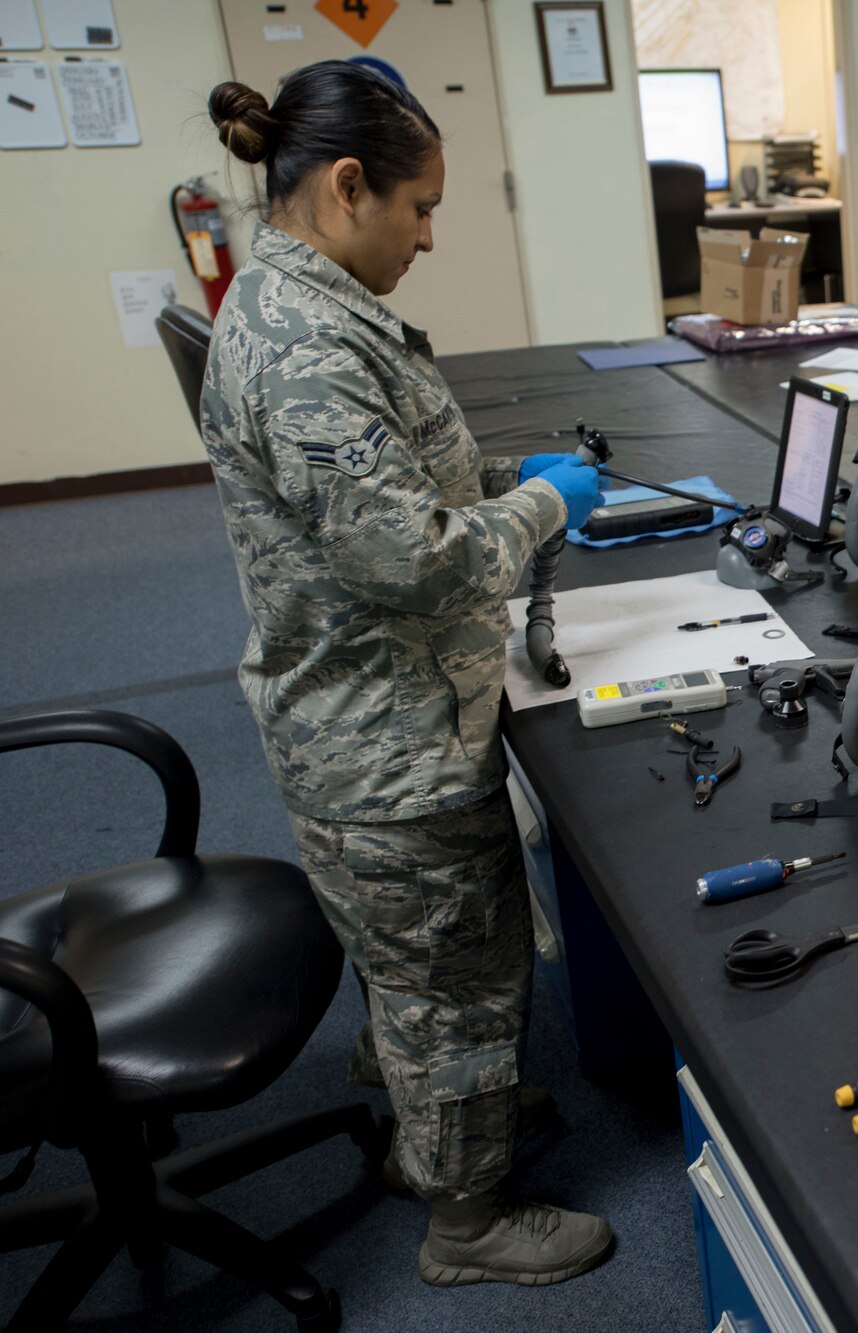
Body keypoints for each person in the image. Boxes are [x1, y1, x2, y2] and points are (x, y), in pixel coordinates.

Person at [200, 63, 614, 1288]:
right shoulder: (304, 350)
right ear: (343, 187)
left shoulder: (304, 305)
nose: (429, 236)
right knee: (457, 977)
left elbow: (398, 480)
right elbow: (415, 562)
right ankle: (467, 1221)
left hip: (360, 713)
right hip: (385, 744)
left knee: (420, 973)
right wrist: (542, 506)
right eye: (419, 208)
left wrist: (494, 476)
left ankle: (438, 1137)